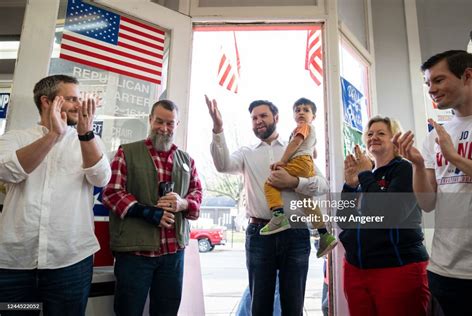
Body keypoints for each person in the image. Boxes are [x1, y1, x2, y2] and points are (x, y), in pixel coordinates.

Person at [206, 95, 329, 315]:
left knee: (293, 305)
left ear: (276, 117)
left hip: (296, 234)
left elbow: (322, 185)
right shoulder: (246, 153)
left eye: (263, 115)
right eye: (253, 118)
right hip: (259, 234)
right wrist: (218, 128)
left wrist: (294, 182)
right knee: (259, 305)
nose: (258, 121)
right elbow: (222, 164)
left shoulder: (297, 148)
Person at [0, 74, 111, 315]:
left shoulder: (88, 141)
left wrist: (85, 133)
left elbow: (101, 178)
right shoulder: (14, 138)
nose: (79, 105)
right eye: (71, 99)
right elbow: (7, 171)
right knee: (15, 312)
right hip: (15, 266)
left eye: (79, 99)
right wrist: (53, 135)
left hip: (70, 263)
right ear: (46, 102)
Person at [102, 100, 202, 316]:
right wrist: (147, 212)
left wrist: (182, 203)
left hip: (173, 254)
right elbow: (111, 193)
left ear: (177, 125)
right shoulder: (126, 152)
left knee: (167, 311)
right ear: (150, 119)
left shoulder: (187, 160)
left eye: (170, 123)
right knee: (128, 311)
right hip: (135, 253)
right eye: (159, 121)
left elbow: (197, 196)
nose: (164, 128)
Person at [394, 50, 472, 316]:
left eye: (438, 80)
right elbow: (427, 203)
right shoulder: (435, 138)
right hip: (444, 268)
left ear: (468, 76)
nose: (432, 89)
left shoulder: (445, 143)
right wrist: (417, 164)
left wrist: (454, 157)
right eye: (428, 83)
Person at [340, 116, 430, 316]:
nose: (374, 137)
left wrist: (364, 175)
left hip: (396, 268)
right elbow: (344, 220)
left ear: (395, 140)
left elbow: (389, 214)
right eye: (370, 134)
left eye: (381, 133)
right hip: (356, 268)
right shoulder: (365, 174)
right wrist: (349, 185)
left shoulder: (404, 169)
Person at [260, 97, 337, 258]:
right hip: (307, 163)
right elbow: (312, 151)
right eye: (297, 110)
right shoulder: (311, 129)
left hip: (299, 161)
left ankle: (278, 216)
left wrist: (282, 160)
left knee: (271, 183)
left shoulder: (302, 127)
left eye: (306, 110)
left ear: (313, 116)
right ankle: (324, 234)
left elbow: (295, 143)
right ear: (293, 114)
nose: (301, 112)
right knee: (307, 202)